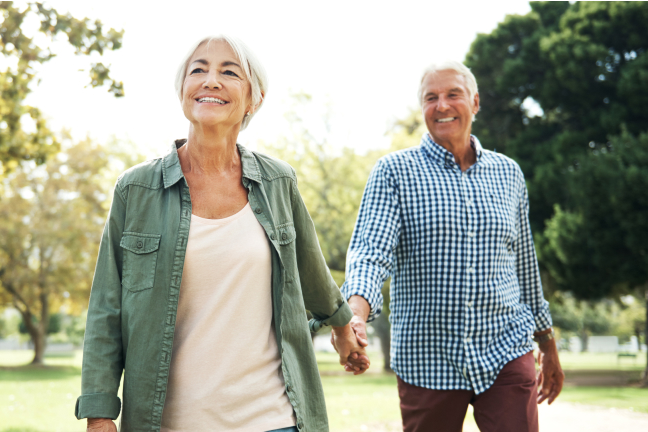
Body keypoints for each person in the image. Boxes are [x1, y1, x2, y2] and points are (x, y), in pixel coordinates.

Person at [76, 35, 369, 432]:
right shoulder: (136, 189)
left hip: (273, 419)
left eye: (228, 72)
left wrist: (342, 327)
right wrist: (99, 413)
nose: (211, 80)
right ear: (182, 91)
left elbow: (311, 272)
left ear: (254, 99)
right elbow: (106, 310)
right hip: (168, 422)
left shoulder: (278, 182)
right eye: (198, 70)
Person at [338, 61, 564, 432]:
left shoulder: (508, 173)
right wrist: (356, 314)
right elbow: (370, 252)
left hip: (507, 348)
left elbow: (524, 264)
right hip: (428, 358)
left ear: (475, 103)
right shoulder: (394, 172)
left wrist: (547, 342)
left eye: (452, 95)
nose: (442, 105)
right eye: (431, 98)